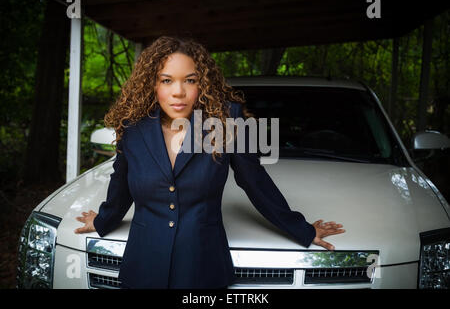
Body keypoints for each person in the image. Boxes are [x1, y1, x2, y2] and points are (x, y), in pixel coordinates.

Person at [74, 36, 345, 289]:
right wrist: (103, 220)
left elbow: (255, 182)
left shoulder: (225, 123)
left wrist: (302, 229)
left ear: (202, 83)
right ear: (152, 84)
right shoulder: (132, 128)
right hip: (143, 266)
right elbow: (120, 183)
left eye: (189, 80)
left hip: (203, 266)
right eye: (166, 80)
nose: (178, 92)